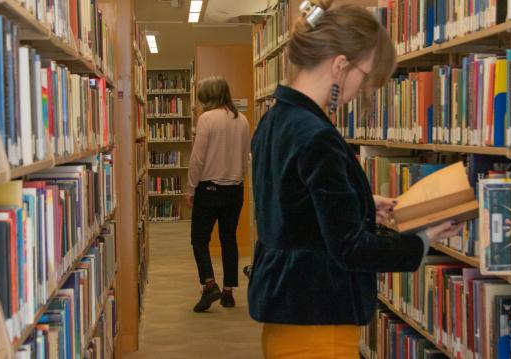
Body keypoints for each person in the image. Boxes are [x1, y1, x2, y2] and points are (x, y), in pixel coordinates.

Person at [248, 0, 463, 357]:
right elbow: (351, 250)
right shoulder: (316, 135)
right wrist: (422, 240)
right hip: (318, 323)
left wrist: (361, 204)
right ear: (339, 65)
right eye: (365, 76)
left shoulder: (275, 119)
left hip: (286, 314)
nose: (361, 91)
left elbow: (292, 209)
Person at [186, 76, 250, 311]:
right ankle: (228, 292)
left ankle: (209, 284)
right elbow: (245, 157)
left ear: (209, 96)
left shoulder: (207, 119)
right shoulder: (242, 120)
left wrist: (191, 187)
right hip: (235, 189)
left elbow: (197, 159)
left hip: (209, 188)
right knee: (229, 239)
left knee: (199, 239)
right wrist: (238, 179)